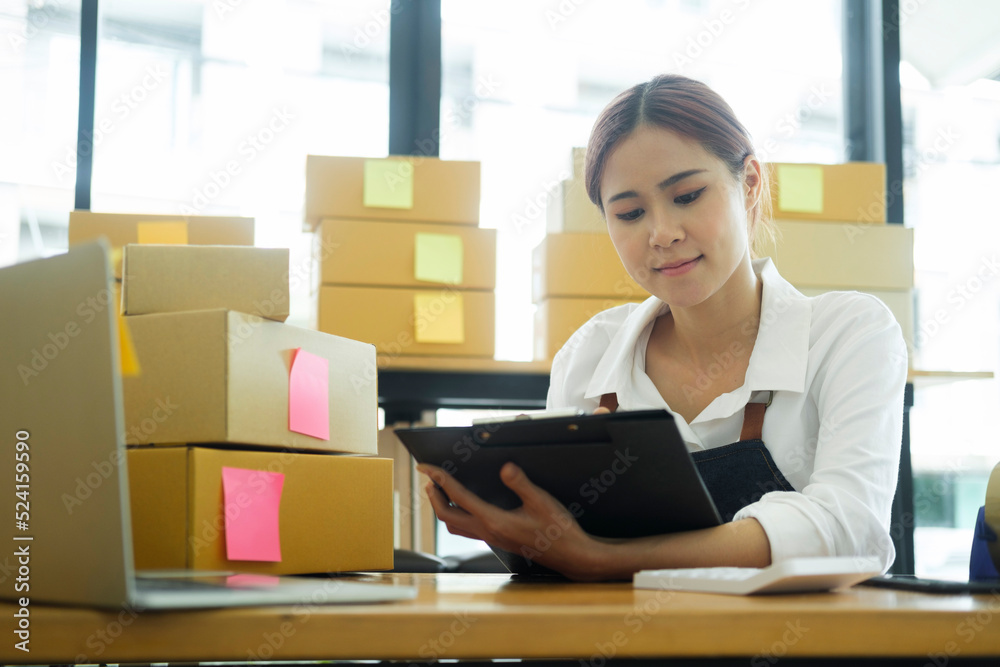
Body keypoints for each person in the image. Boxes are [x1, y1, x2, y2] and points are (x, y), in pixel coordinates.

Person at [416, 74, 908, 582]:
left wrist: (604, 559)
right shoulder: (588, 358)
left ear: (751, 183)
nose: (663, 234)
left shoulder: (849, 335)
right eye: (629, 212)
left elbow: (851, 530)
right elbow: (560, 544)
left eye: (688, 196)